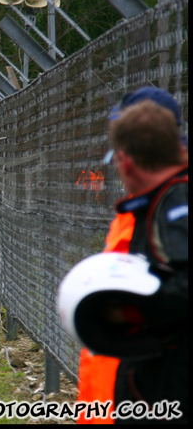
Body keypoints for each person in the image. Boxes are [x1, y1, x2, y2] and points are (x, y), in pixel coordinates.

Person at [69, 88, 188, 424]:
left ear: (128, 159)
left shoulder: (174, 201)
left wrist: (125, 312)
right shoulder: (156, 200)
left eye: (115, 157)